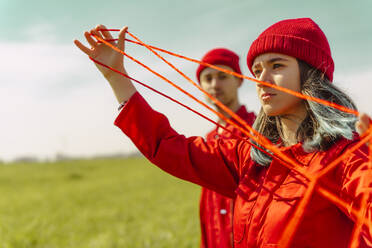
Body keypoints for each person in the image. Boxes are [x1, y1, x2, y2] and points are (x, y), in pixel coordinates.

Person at [74, 18, 372, 247]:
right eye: (256, 70)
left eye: (276, 65)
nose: (262, 80)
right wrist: (117, 79)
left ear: (311, 73)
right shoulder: (250, 157)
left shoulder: (348, 155)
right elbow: (168, 146)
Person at [196, 48, 255, 248]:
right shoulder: (209, 140)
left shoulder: (258, 131)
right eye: (208, 78)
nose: (215, 84)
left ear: (239, 80)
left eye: (222, 76)